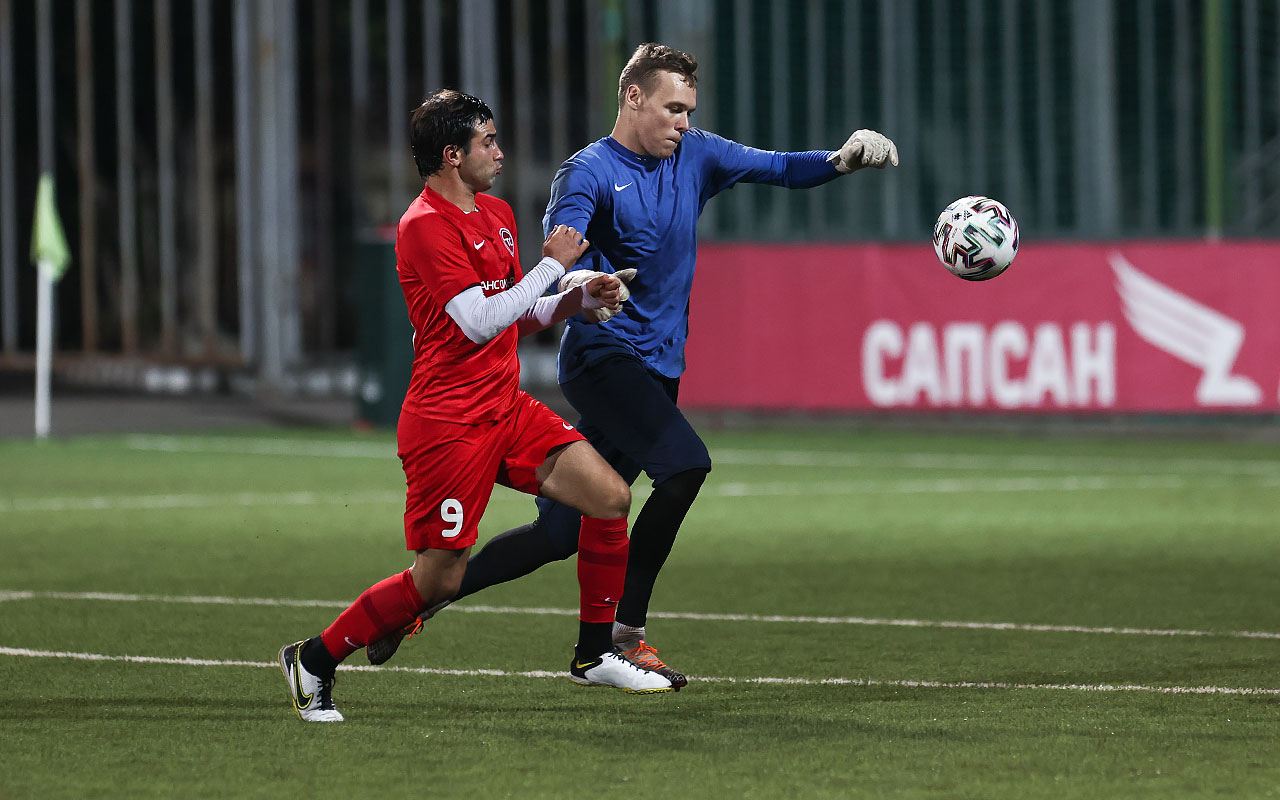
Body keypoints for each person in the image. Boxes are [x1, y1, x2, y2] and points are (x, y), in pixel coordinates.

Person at [367, 44, 899, 688]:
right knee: (685, 465)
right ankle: (623, 636)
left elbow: (779, 167)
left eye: (689, 110)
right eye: (672, 108)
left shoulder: (698, 154)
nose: (683, 122)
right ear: (633, 97)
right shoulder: (587, 172)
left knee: (562, 531)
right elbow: (562, 247)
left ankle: (424, 599)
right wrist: (578, 279)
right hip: (602, 355)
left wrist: (840, 160)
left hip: (659, 365)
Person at [279, 89, 673, 723]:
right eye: (488, 141)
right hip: (448, 423)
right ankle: (315, 659)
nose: (500, 152)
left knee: (609, 497)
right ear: (452, 155)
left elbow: (519, 312)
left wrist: (577, 300)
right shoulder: (422, 225)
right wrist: (552, 266)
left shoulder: (496, 213)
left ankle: (595, 653)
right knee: (439, 578)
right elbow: (478, 321)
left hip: (505, 406)